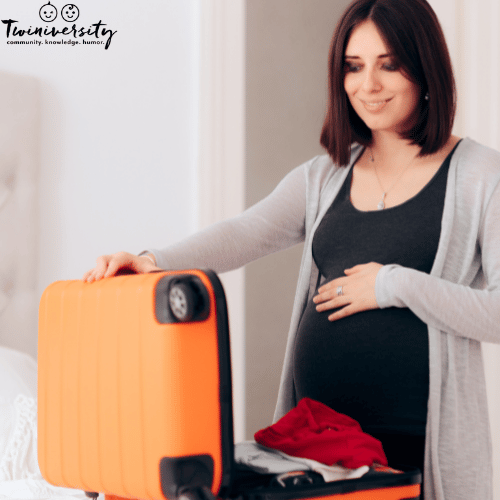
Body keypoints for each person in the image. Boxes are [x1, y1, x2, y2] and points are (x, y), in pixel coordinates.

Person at [83, 0, 500, 499]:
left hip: (412, 453)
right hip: (315, 451)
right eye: (354, 66)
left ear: (425, 67)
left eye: (389, 64)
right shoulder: (324, 176)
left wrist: (394, 284)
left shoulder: (479, 175)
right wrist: (152, 261)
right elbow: (245, 231)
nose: (368, 85)